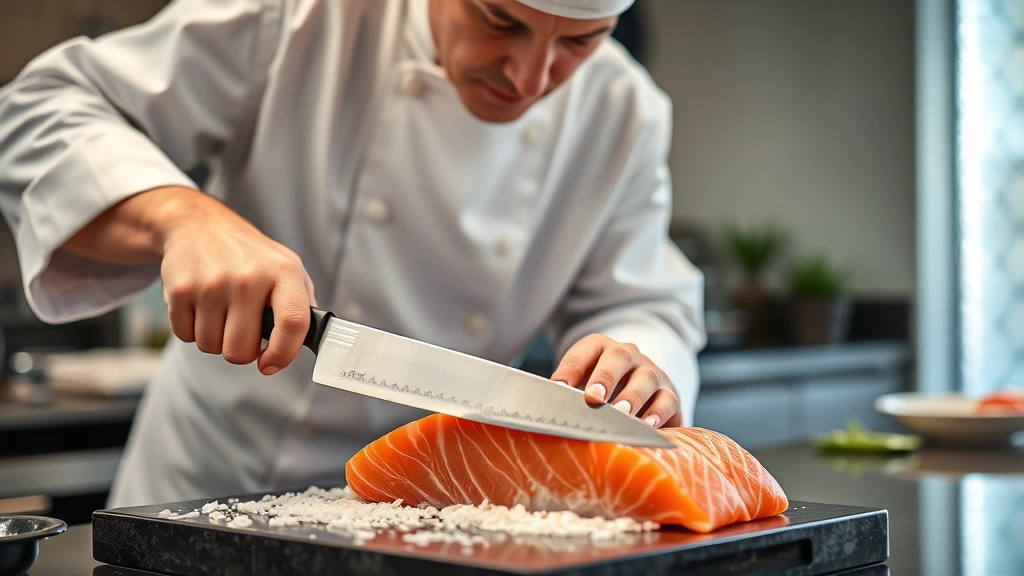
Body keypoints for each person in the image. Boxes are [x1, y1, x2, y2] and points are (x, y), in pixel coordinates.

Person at [0, 0, 705, 507]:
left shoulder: (626, 111)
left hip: (423, 513)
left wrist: (636, 363)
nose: (528, 75)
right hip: (203, 492)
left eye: (580, 41)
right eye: (499, 21)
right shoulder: (303, 17)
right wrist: (184, 218)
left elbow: (642, 301)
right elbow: (35, 110)